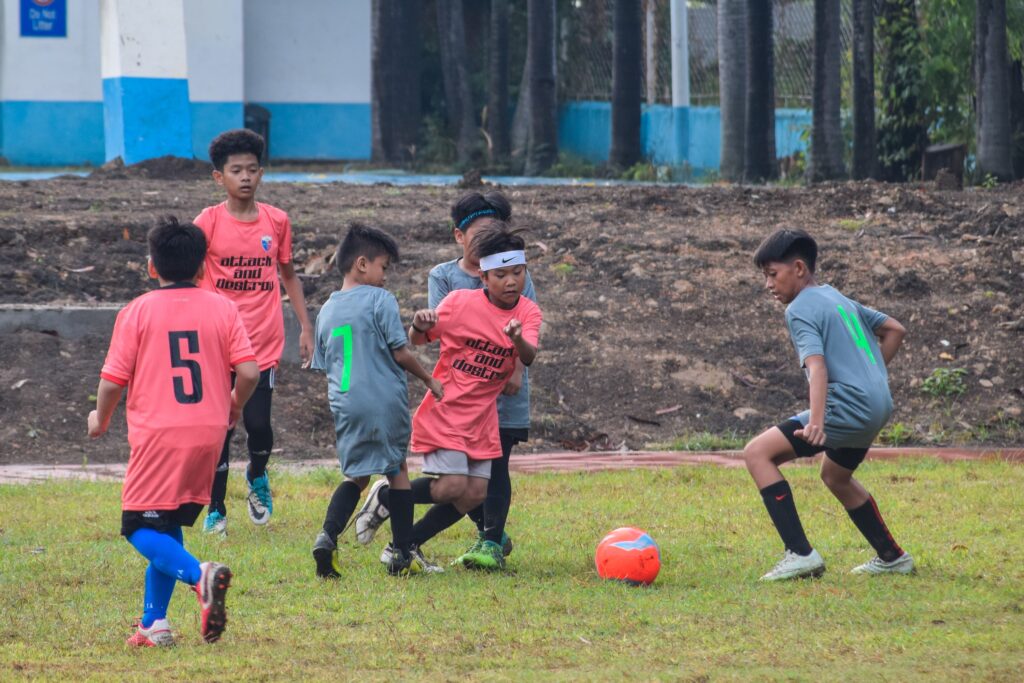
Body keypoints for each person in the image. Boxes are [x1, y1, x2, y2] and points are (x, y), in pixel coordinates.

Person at [88, 216, 259, 646]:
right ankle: (154, 624)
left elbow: (112, 382)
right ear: (203, 268)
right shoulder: (223, 306)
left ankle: (199, 575)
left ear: (151, 267)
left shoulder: (138, 311)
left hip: (160, 434)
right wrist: (233, 406)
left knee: (138, 526)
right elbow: (251, 372)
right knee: (166, 521)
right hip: (209, 433)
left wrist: (101, 419)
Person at [354, 223, 543, 572]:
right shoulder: (458, 303)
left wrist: (517, 340)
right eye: (501, 274)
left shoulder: (527, 312)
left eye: (518, 272)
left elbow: (529, 355)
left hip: (483, 418)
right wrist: (421, 324)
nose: (511, 281)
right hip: (447, 408)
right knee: (453, 486)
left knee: (474, 495)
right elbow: (418, 339)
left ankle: (403, 544)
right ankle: (387, 495)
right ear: (483, 279)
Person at [744, 228, 913, 581]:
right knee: (835, 475)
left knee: (757, 453)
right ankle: (892, 557)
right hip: (878, 405)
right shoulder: (836, 298)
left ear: (799, 268)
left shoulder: (800, 309)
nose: (768, 284)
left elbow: (817, 367)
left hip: (846, 409)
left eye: (773, 275)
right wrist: (871, 376)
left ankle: (800, 553)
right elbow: (895, 329)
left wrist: (817, 421)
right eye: (765, 277)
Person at [194, 128, 314, 534]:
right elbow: (188, 278)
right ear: (219, 177)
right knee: (219, 427)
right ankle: (215, 510)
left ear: (261, 173)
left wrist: (305, 326)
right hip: (215, 342)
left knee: (258, 425)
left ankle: (257, 476)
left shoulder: (276, 221)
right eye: (235, 170)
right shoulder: (206, 222)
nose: (244, 177)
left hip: (262, 341)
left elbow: (289, 276)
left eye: (251, 169)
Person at [309, 224, 444, 577]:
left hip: (346, 403)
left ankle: (327, 535)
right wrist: (429, 379)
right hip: (384, 400)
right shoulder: (380, 300)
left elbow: (326, 364)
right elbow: (400, 353)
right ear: (362, 264)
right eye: (384, 267)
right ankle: (401, 553)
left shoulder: (325, 311)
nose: (385, 277)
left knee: (355, 477)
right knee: (397, 470)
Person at [421, 191, 537, 565]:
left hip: (506, 386)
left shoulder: (519, 274)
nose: (488, 239)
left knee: (497, 463)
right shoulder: (444, 276)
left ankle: (490, 540)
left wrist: (516, 369)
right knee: (465, 474)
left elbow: (525, 320)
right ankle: (490, 533)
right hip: (464, 391)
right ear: (459, 236)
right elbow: (440, 331)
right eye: (479, 233)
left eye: (495, 231)